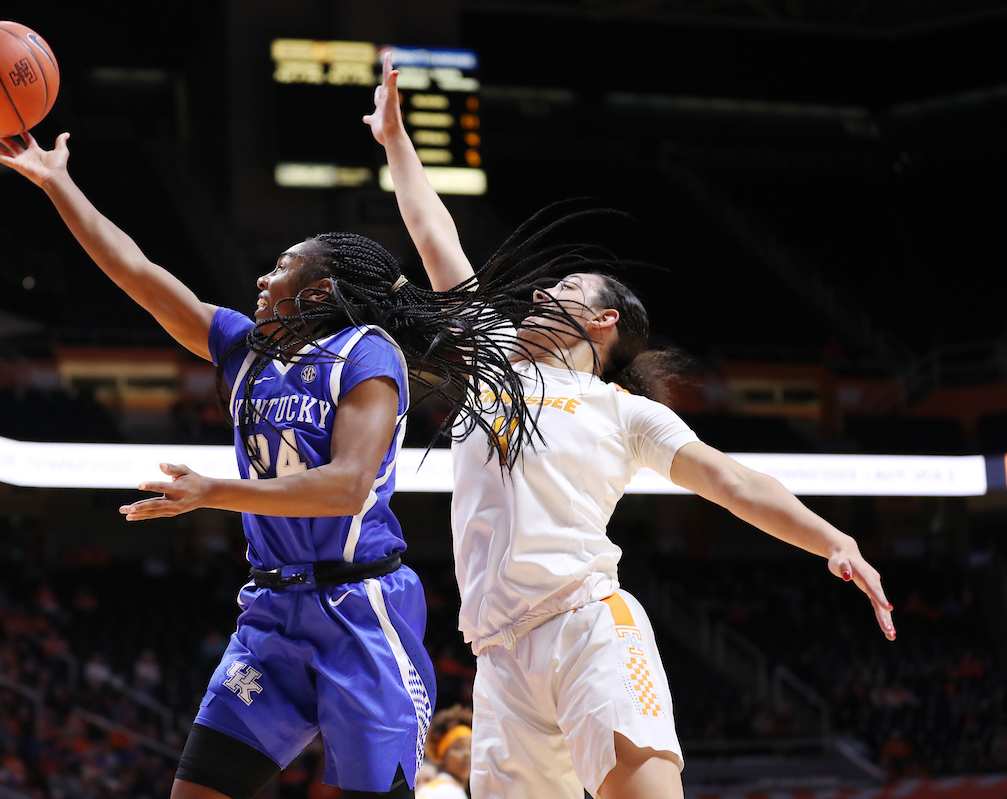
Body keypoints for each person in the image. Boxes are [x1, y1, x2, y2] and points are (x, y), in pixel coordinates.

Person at [364, 52, 896, 799]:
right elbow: (434, 235)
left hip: (587, 625)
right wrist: (396, 140)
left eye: (564, 287)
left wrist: (834, 540)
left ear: (603, 320)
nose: (540, 292)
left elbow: (733, 481)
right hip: (498, 658)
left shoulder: (626, 412)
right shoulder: (490, 360)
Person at [0, 132, 524, 799]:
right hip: (272, 613)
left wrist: (213, 490)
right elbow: (137, 273)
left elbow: (347, 486)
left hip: (361, 612)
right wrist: (56, 183)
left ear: (317, 292)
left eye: (280, 267)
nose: (264, 279)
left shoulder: (367, 352)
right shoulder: (243, 351)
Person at [417, 706, 473, 799]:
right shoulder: (449, 792)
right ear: (442, 756)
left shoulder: (434, 788)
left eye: (471, 747)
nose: (467, 754)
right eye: (458, 748)